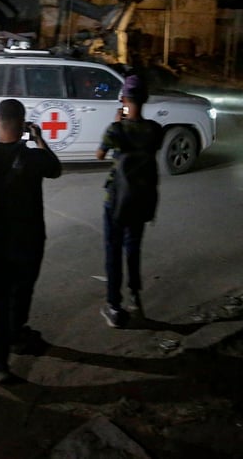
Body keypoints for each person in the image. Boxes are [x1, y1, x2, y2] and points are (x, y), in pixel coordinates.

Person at [0, 99, 61, 383]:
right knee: (22, 290)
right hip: (29, 239)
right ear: (23, 126)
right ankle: (17, 334)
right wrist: (38, 138)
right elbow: (55, 168)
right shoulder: (34, 159)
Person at [95, 75, 163, 328]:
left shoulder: (116, 129)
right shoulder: (155, 130)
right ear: (145, 99)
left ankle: (114, 306)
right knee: (133, 248)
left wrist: (117, 123)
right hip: (142, 198)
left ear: (123, 99)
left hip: (115, 199)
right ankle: (135, 296)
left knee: (113, 251)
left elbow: (100, 154)